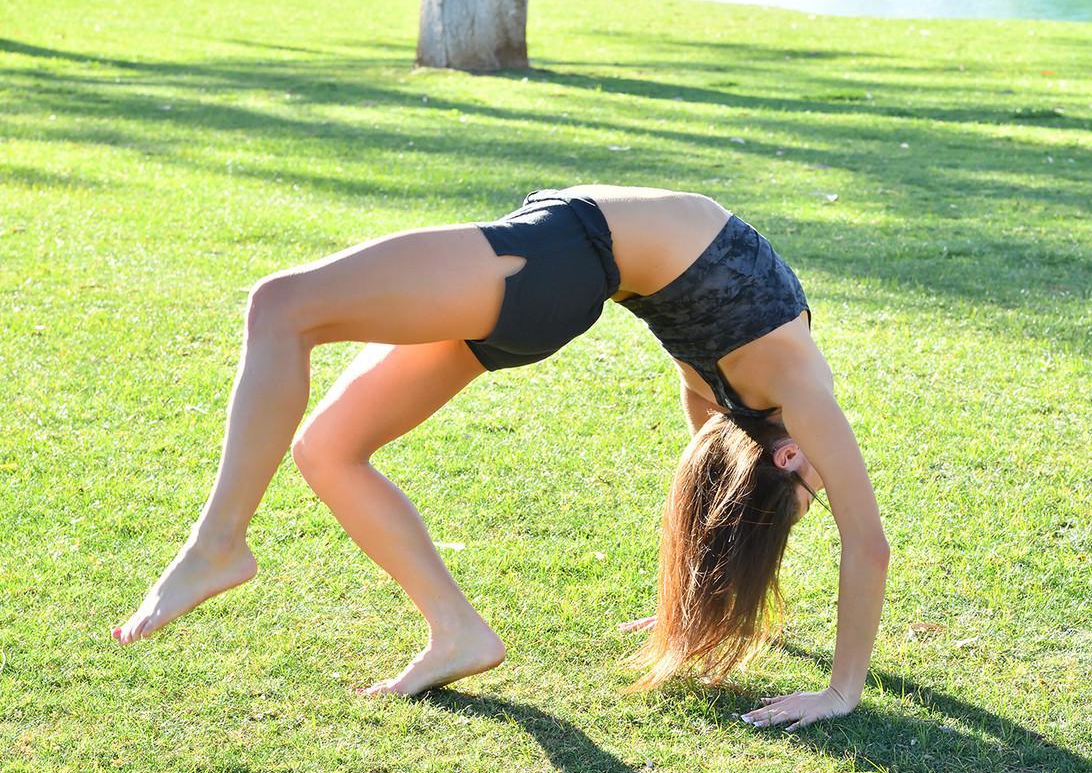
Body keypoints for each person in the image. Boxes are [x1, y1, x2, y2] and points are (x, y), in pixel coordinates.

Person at [111, 185, 890, 732]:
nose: (822, 477)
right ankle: (457, 633)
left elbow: (869, 541)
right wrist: (695, 598)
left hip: (559, 257)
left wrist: (840, 691)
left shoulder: (793, 383)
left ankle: (219, 544)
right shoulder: (732, 402)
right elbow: (706, 477)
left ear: (787, 452)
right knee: (329, 447)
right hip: (559, 270)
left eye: (806, 487)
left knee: (280, 306)